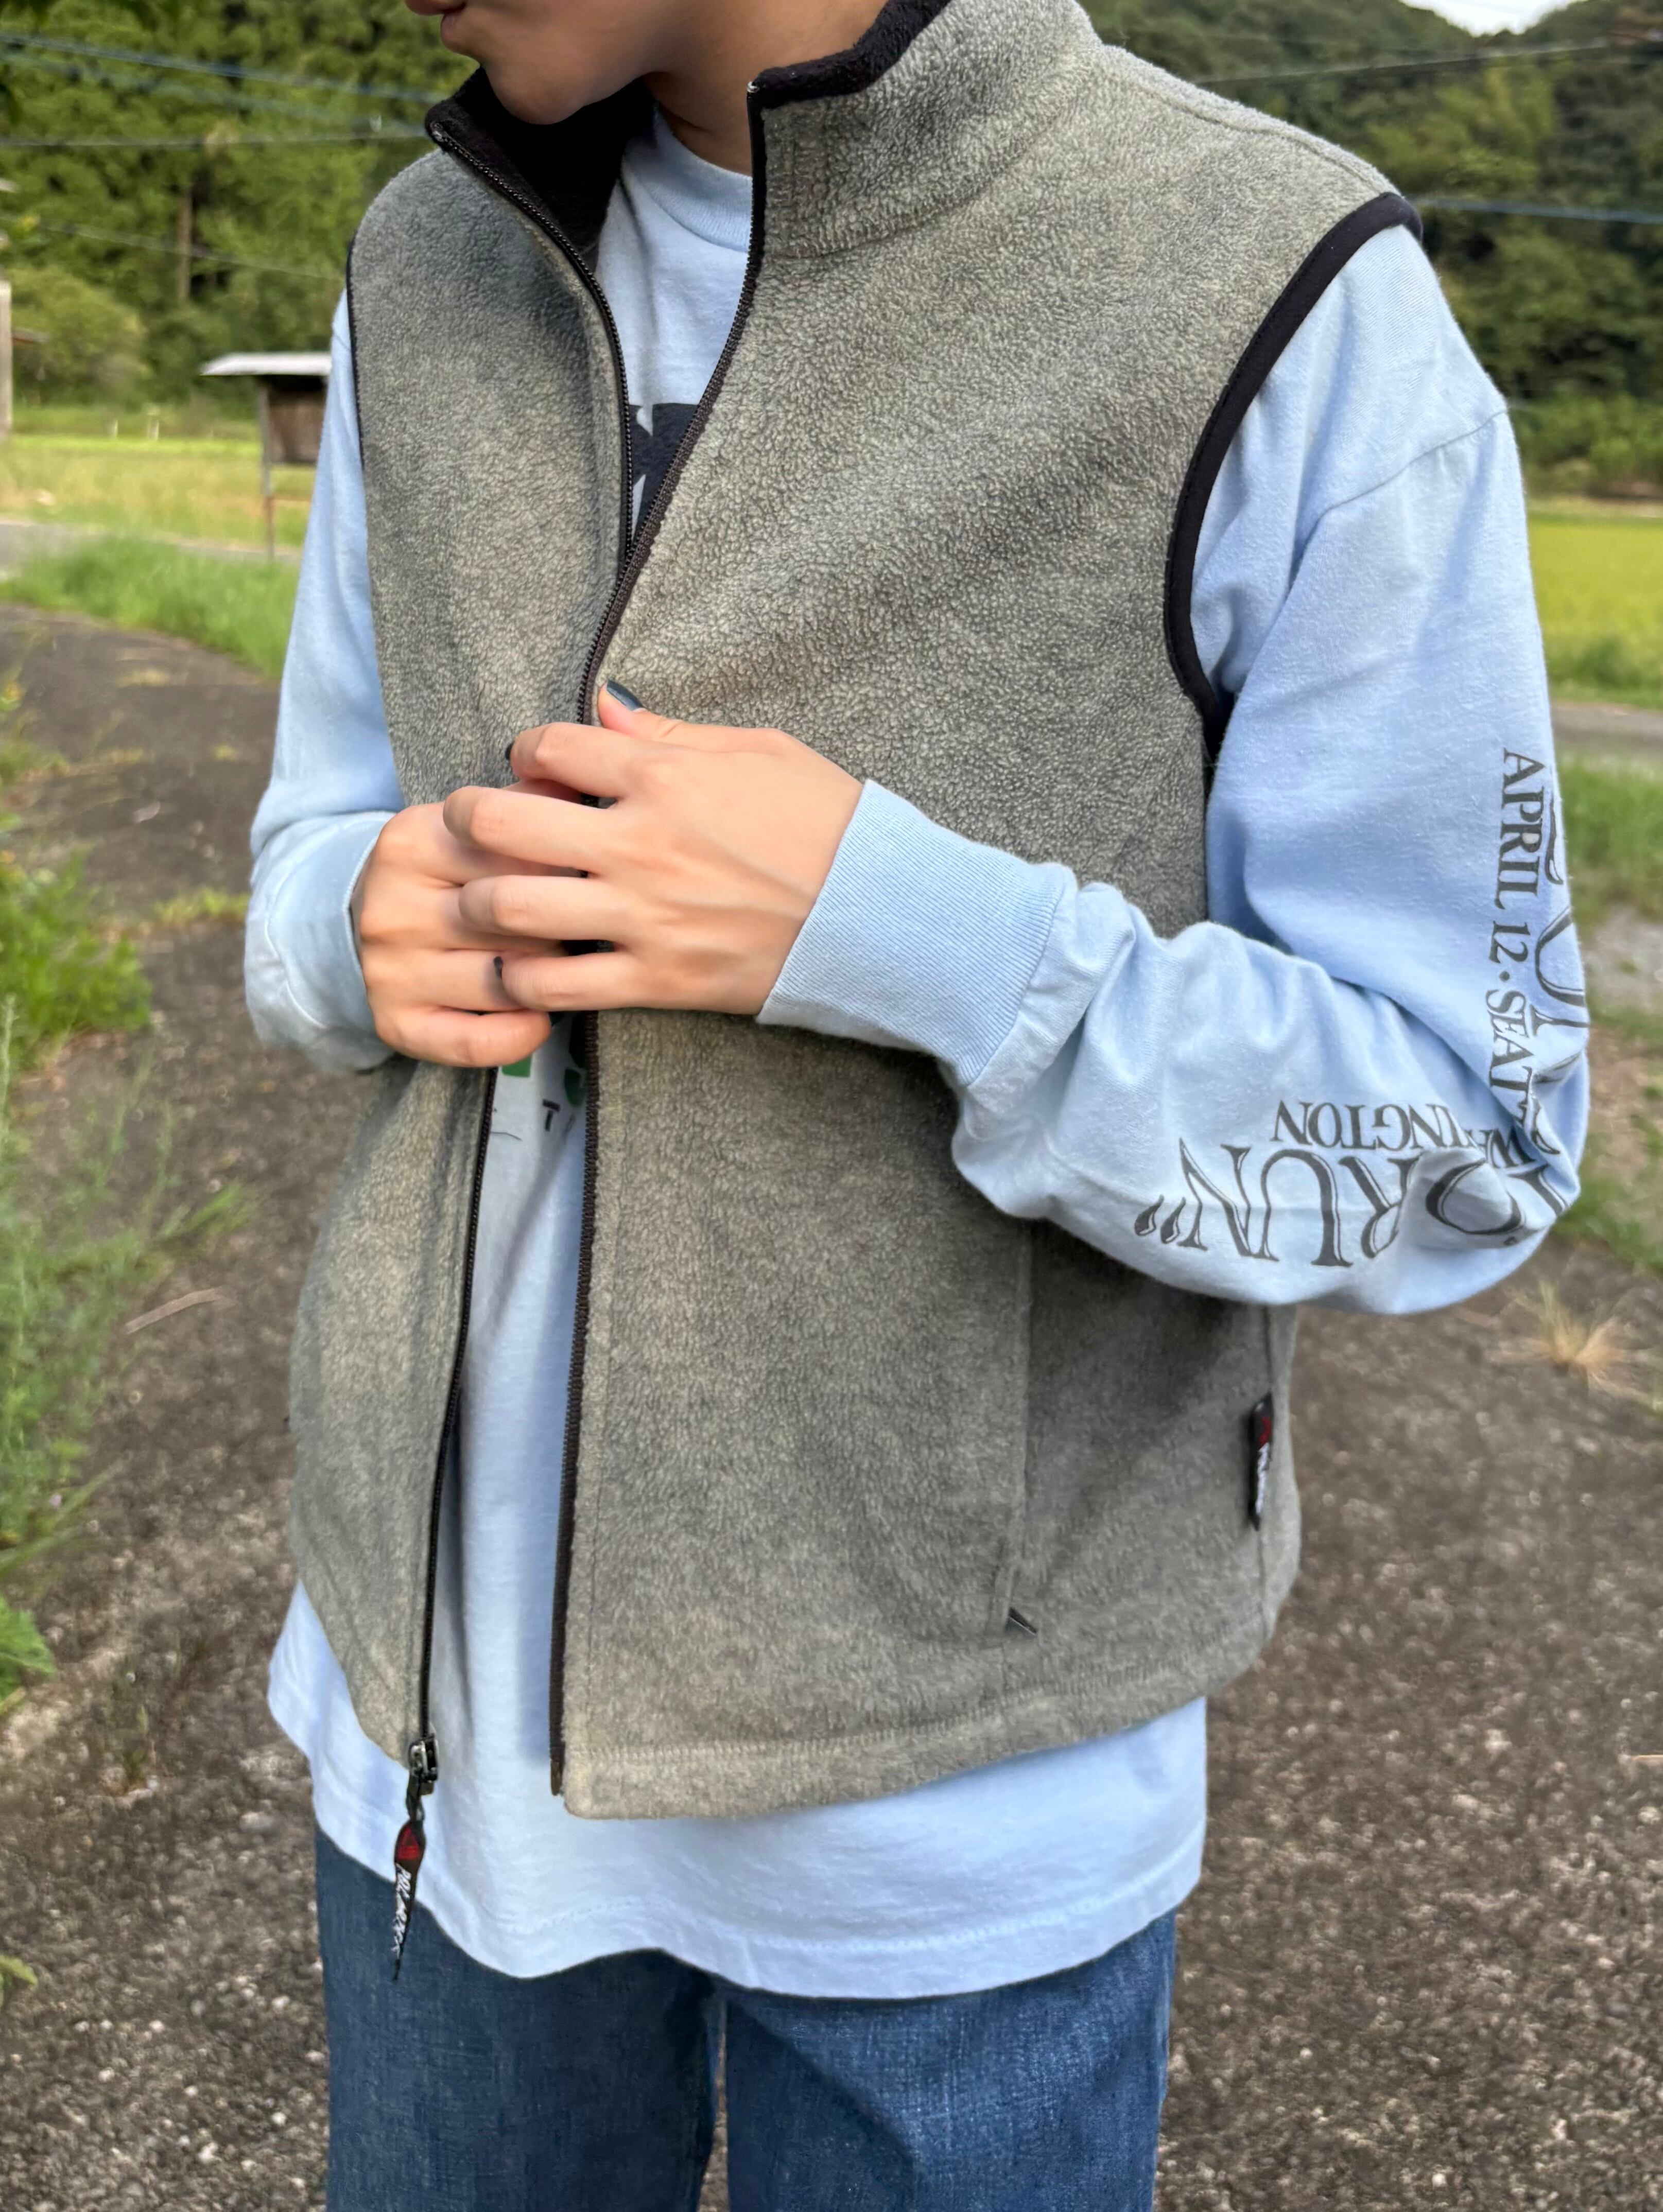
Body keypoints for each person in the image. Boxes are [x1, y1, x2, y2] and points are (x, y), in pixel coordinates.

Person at [244, 0, 1588, 2204]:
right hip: (428, 1739)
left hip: (962, 1819)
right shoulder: (424, 258)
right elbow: (317, 837)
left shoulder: (1279, 286)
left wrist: (912, 936)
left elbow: (1476, 1127)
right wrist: (340, 927)